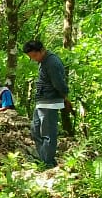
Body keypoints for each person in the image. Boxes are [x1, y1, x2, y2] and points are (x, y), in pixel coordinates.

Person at [23, 39, 70, 168]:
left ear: (42, 50)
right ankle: (45, 159)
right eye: (30, 57)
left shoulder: (52, 62)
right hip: (42, 101)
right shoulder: (43, 61)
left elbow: (59, 83)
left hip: (50, 102)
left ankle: (47, 163)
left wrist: (65, 96)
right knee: (35, 131)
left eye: (34, 56)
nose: (33, 59)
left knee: (48, 134)